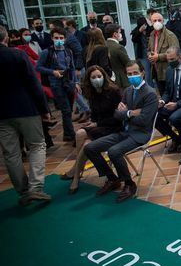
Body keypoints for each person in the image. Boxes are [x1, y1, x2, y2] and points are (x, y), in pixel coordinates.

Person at [84, 61, 159, 202]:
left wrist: (126, 113)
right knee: (90, 148)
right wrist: (131, 113)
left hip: (140, 134)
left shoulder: (150, 93)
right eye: (129, 74)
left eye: (135, 73)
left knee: (113, 151)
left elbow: (144, 121)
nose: (132, 76)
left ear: (143, 73)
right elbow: (116, 114)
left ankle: (129, 184)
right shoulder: (128, 91)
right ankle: (113, 179)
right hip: (124, 131)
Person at [0, 26, 51, 205]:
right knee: (37, 145)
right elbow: (33, 82)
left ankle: (23, 191)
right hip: (26, 108)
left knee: (11, 153)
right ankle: (35, 188)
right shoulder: (17, 55)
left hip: (2, 115)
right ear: (6, 38)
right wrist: (44, 109)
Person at [62, 66, 123, 194]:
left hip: (114, 127)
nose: (97, 79)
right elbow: (95, 115)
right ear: (89, 80)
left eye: (99, 76)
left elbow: (118, 118)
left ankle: (76, 176)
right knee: (79, 133)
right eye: (93, 77)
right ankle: (76, 170)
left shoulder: (114, 91)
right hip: (100, 126)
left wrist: (96, 123)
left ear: (104, 77)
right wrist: (93, 122)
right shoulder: (92, 93)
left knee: (86, 144)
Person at [36, 27, 81, 143]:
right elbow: (38, 67)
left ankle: (67, 133)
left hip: (69, 82)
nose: (59, 40)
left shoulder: (68, 51)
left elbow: (72, 67)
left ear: (65, 39)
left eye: (61, 38)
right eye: (56, 38)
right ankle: (71, 134)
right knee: (65, 109)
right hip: (56, 83)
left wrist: (76, 82)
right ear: (52, 38)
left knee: (69, 109)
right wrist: (52, 72)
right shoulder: (46, 52)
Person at [147, 12, 180, 95]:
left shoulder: (170, 35)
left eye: (159, 20)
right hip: (156, 71)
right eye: (154, 20)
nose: (157, 22)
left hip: (168, 71)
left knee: (171, 94)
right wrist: (150, 55)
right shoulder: (152, 35)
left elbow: (176, 52)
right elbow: (149, 49)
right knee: (162, 94)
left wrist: (158, 57)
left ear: (163, 21)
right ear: (151, 22)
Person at [104, 24, 130, 89]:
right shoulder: (119, 47)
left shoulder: (103, 45)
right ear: (115, 34)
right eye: (120, 32)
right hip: (121, 80)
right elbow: (128, 63)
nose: (121, 34)